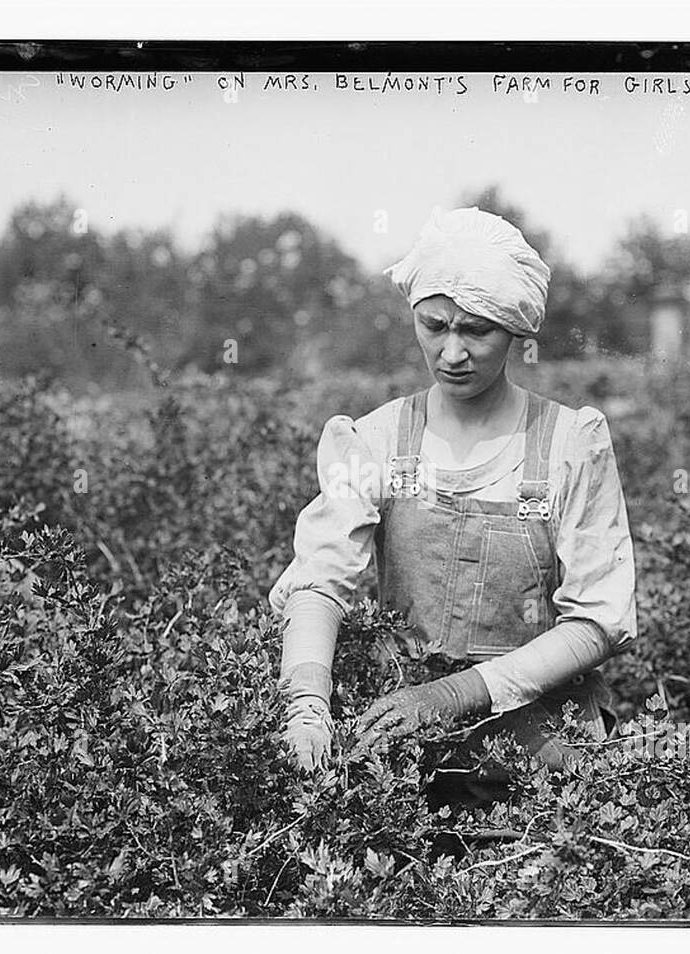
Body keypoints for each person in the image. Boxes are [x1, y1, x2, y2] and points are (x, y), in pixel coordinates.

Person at [269, 206, 637, 800]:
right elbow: (319, 579)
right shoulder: (376, 439)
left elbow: (599, 618)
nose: (452, 353)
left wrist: (452, 695)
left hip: (544, 756)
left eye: (477, 330)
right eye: (435, 326)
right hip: (406, 752)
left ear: (516, 331)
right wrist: (307, 703)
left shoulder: (571, 443)